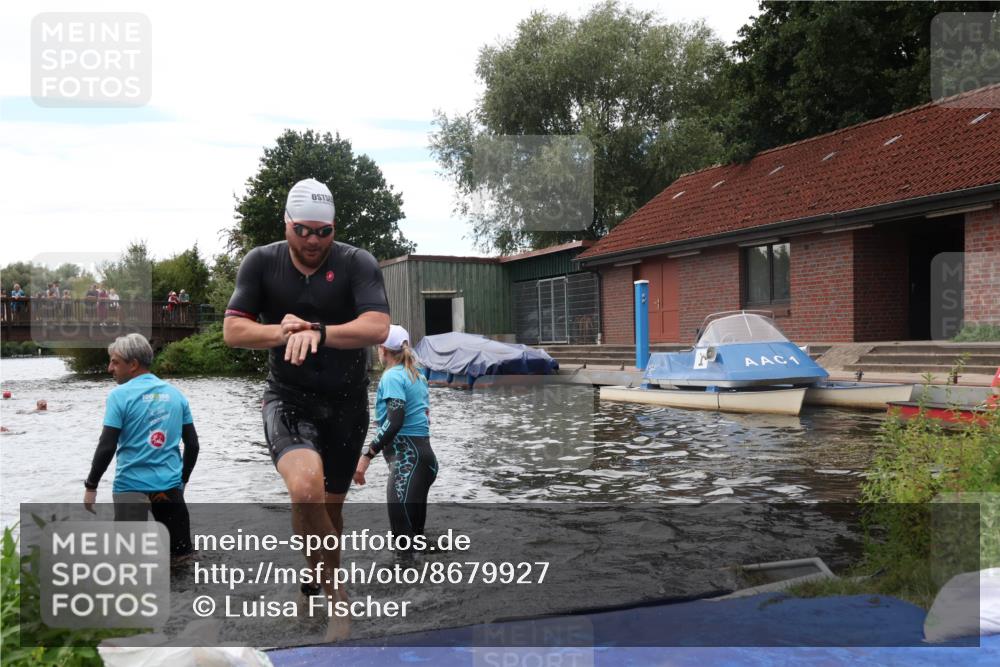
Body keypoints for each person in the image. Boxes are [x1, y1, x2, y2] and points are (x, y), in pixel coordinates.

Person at [223, 177, 390, 638]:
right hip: (288, 397)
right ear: (287, 224)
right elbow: (234, 332)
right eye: (304, 231)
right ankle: (338, 597)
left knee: (330, 509)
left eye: (324, 231)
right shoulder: (261, 262)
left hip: (346, 402)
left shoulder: (357, 262)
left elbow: (377, 326)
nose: (314, 241)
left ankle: (310, 581)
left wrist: (318, 331)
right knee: (304, 488)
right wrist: (283, 331)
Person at [83, 333, 200, 563]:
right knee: (182, 558)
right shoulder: (176, 395)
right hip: (169, 488)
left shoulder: (119, 396)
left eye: (115, 362)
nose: (110, 368)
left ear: (133, 364)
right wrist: (182, 480)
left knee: (130, 563)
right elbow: (193, 445)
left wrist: (91, 485)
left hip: (130, 488)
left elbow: (106, 446)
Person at [353, 325, 437, 542]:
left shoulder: (391, 377)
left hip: (407, 463)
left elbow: (395, 420)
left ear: (382, 349)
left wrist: (367, 455)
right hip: (423, 460)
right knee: (415, 541)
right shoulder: (417, 376)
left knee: (402, 544)